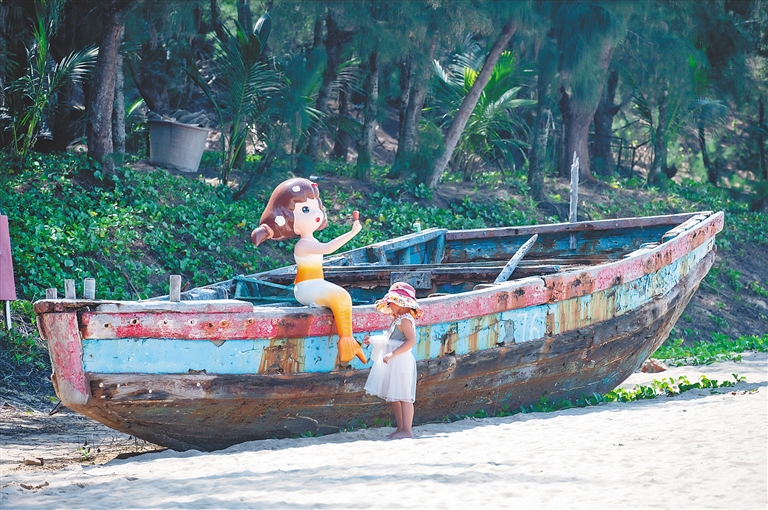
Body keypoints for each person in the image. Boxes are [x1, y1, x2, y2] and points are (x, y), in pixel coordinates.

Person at [251, 178, 367, 364]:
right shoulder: (303, 245)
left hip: (314, 285)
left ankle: (348, 341)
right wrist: (352, 233)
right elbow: (328, 248)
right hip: (306, 288)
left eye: (316, 207)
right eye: (305, 210)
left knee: (341, 297)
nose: (315, 214)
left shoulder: (311, 241)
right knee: (342, 296)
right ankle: (347, 342)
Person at [363, 282, 422, 439]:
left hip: (400, 360)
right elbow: (389, 340)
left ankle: (407, 430)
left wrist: (393, 354)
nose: (389, 306)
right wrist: (372, 339)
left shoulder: (405, 320)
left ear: (401, 302)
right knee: (394, 396)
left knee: (404, 396)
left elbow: (411, 340)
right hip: (393, 362)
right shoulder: (398, 319)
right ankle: (400, 428)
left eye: (391, 303)